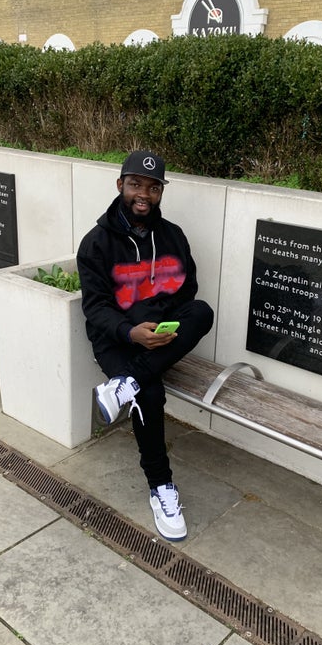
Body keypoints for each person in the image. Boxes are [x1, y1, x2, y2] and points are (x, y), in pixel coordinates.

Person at [77, 150, 214, 542]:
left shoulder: (173, 236)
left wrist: (162, 325)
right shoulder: (96, 243)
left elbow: (187, 291)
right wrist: (132, 331)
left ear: (160, 192)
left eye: (154, 188)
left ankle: (127, 383)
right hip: (116, 340)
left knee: (202, 312)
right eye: (136, 184)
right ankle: (161, 487)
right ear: (120, 185)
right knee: (150, 395)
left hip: (160, 337)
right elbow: (96, 308)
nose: (144, 194)